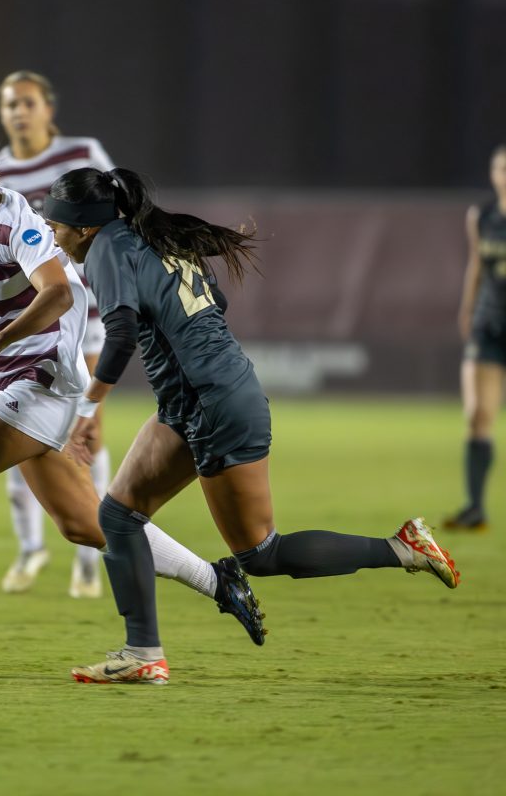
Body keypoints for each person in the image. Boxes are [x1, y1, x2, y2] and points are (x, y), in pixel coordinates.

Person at [0, 109, 266, 669]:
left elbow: (58, 294)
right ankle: (218, 581)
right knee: (85, 524)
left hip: (44, 380)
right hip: (12, 379)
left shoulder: (18, 218)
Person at [42, 166, 462, 686]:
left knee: (261, 554)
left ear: (84, 225)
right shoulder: (152, 237)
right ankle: (143, 653)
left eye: (57, 223)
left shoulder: (107, 247)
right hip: (200, 398)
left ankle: (402, 548)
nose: (55, 236)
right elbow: (216, 304)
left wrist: (89, 408)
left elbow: (122, 333)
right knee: (119, 516)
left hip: (213, 403)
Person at [0, 70, 117, 597]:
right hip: (33, 320)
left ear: (48, 108)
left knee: (86, 432)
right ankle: (29, 548)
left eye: (27, 102)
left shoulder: (81, 152)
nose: (19, 111)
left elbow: (117, 214)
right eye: (10, 104)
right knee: (17, 426)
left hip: (84, 316)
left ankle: (90, 556)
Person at [444, 143, 506, 532]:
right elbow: (475, 265)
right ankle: (476, 507)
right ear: (493, 173)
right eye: (501, 168)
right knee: (477, 415)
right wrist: (466, 309)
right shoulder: (481, 216)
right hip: (489, 321)